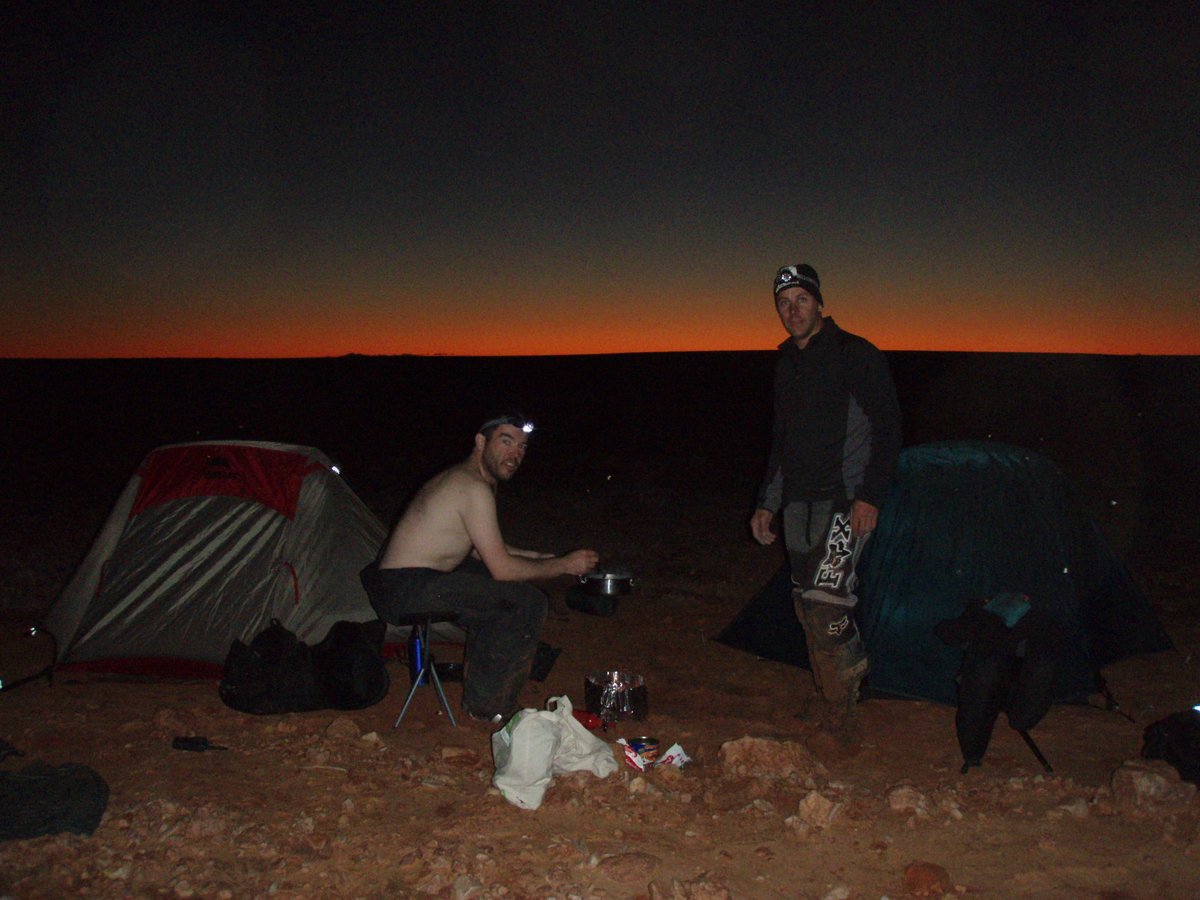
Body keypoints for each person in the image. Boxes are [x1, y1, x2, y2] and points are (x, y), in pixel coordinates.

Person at [361, 413, 598, 724]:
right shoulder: (471, 486)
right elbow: (502, 568)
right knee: (526, 602)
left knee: (506, 591)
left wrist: (542, 557)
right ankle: (488, 706)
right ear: (480, 441)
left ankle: (482, 686)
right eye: (506, 442)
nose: (515, 454)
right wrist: (563, 565)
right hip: (405, 588)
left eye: (522, 447)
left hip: (408, 580)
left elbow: (481, 547)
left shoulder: (474, 479)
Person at [750, 263, 901, 731]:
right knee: (805, 601)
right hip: (798, 502)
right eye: (784, 302)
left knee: (827, 602)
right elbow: (782, 440)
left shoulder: (855, 354)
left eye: (801, 299)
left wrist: (869, 496)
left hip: (845, 498)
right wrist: (766, 501)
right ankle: (829, 693)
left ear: (820, 302)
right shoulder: (787, 366)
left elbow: (888, 427)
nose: (792, 310)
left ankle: (845, 708)